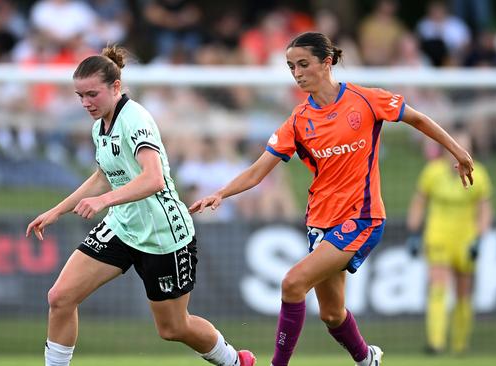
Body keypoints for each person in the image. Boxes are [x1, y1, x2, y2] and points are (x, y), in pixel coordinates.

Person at [189, 32, 474, 366]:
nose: (297, 73)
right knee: (332, 314)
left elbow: (418, 118)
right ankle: (368, 358)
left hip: (362, 218)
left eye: (304, 64)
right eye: (291, 66)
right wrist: (222, 192)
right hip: (321, 221)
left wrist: (459, 151)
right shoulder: (298, 121)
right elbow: (258, 170)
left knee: (292, 283)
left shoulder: (365, 100)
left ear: (327, 62)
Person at [25, 45, 255, 366]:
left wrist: (103, 201)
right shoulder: (99, 126)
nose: (85, 103)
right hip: (122, 225)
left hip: (163, 234)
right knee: (60, 298)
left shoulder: (136, 119)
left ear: (116, 87)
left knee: (173, 327)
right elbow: (103, 177)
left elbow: (153, 179)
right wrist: (56, 211)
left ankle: (235, 361)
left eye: (92, 94)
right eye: (80, 96)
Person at [405, 126, 492, 355]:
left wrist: (479, 238)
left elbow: (484, 211)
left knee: (464, 293)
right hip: (438, 236)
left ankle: (460, 345)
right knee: (438, 287)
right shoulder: (432, 173)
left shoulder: (479, 175)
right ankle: (436, 343)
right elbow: (418, 203)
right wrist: (414, 233)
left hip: (465, 238)